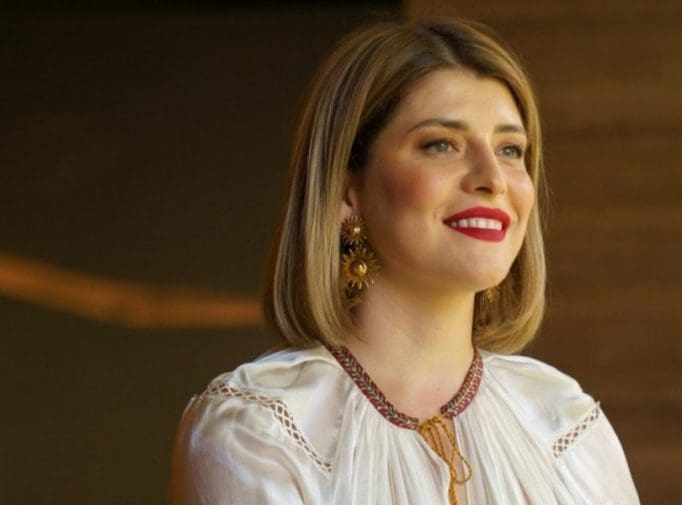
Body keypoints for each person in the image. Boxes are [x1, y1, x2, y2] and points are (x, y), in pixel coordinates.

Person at [169, 18, 640, 505]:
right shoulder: (259, 430)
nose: (493, 178)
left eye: (510, 149)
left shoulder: (564, 423)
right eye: (441, 144)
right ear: (346, 189)